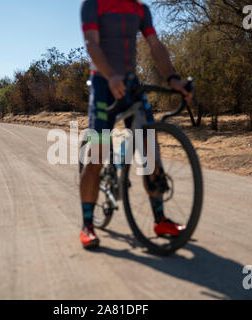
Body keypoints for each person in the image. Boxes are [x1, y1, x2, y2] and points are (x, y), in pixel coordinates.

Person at [79, 0, 192, 249]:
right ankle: (87, 225)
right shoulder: (93, 5)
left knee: (150, 150)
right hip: (102, 84)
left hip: (130, 84)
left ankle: (160, 219)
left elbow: (156, 46)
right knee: (97, 155)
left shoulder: (140, 9)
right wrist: (110, 76)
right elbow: (92, 44)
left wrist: (174, 79)